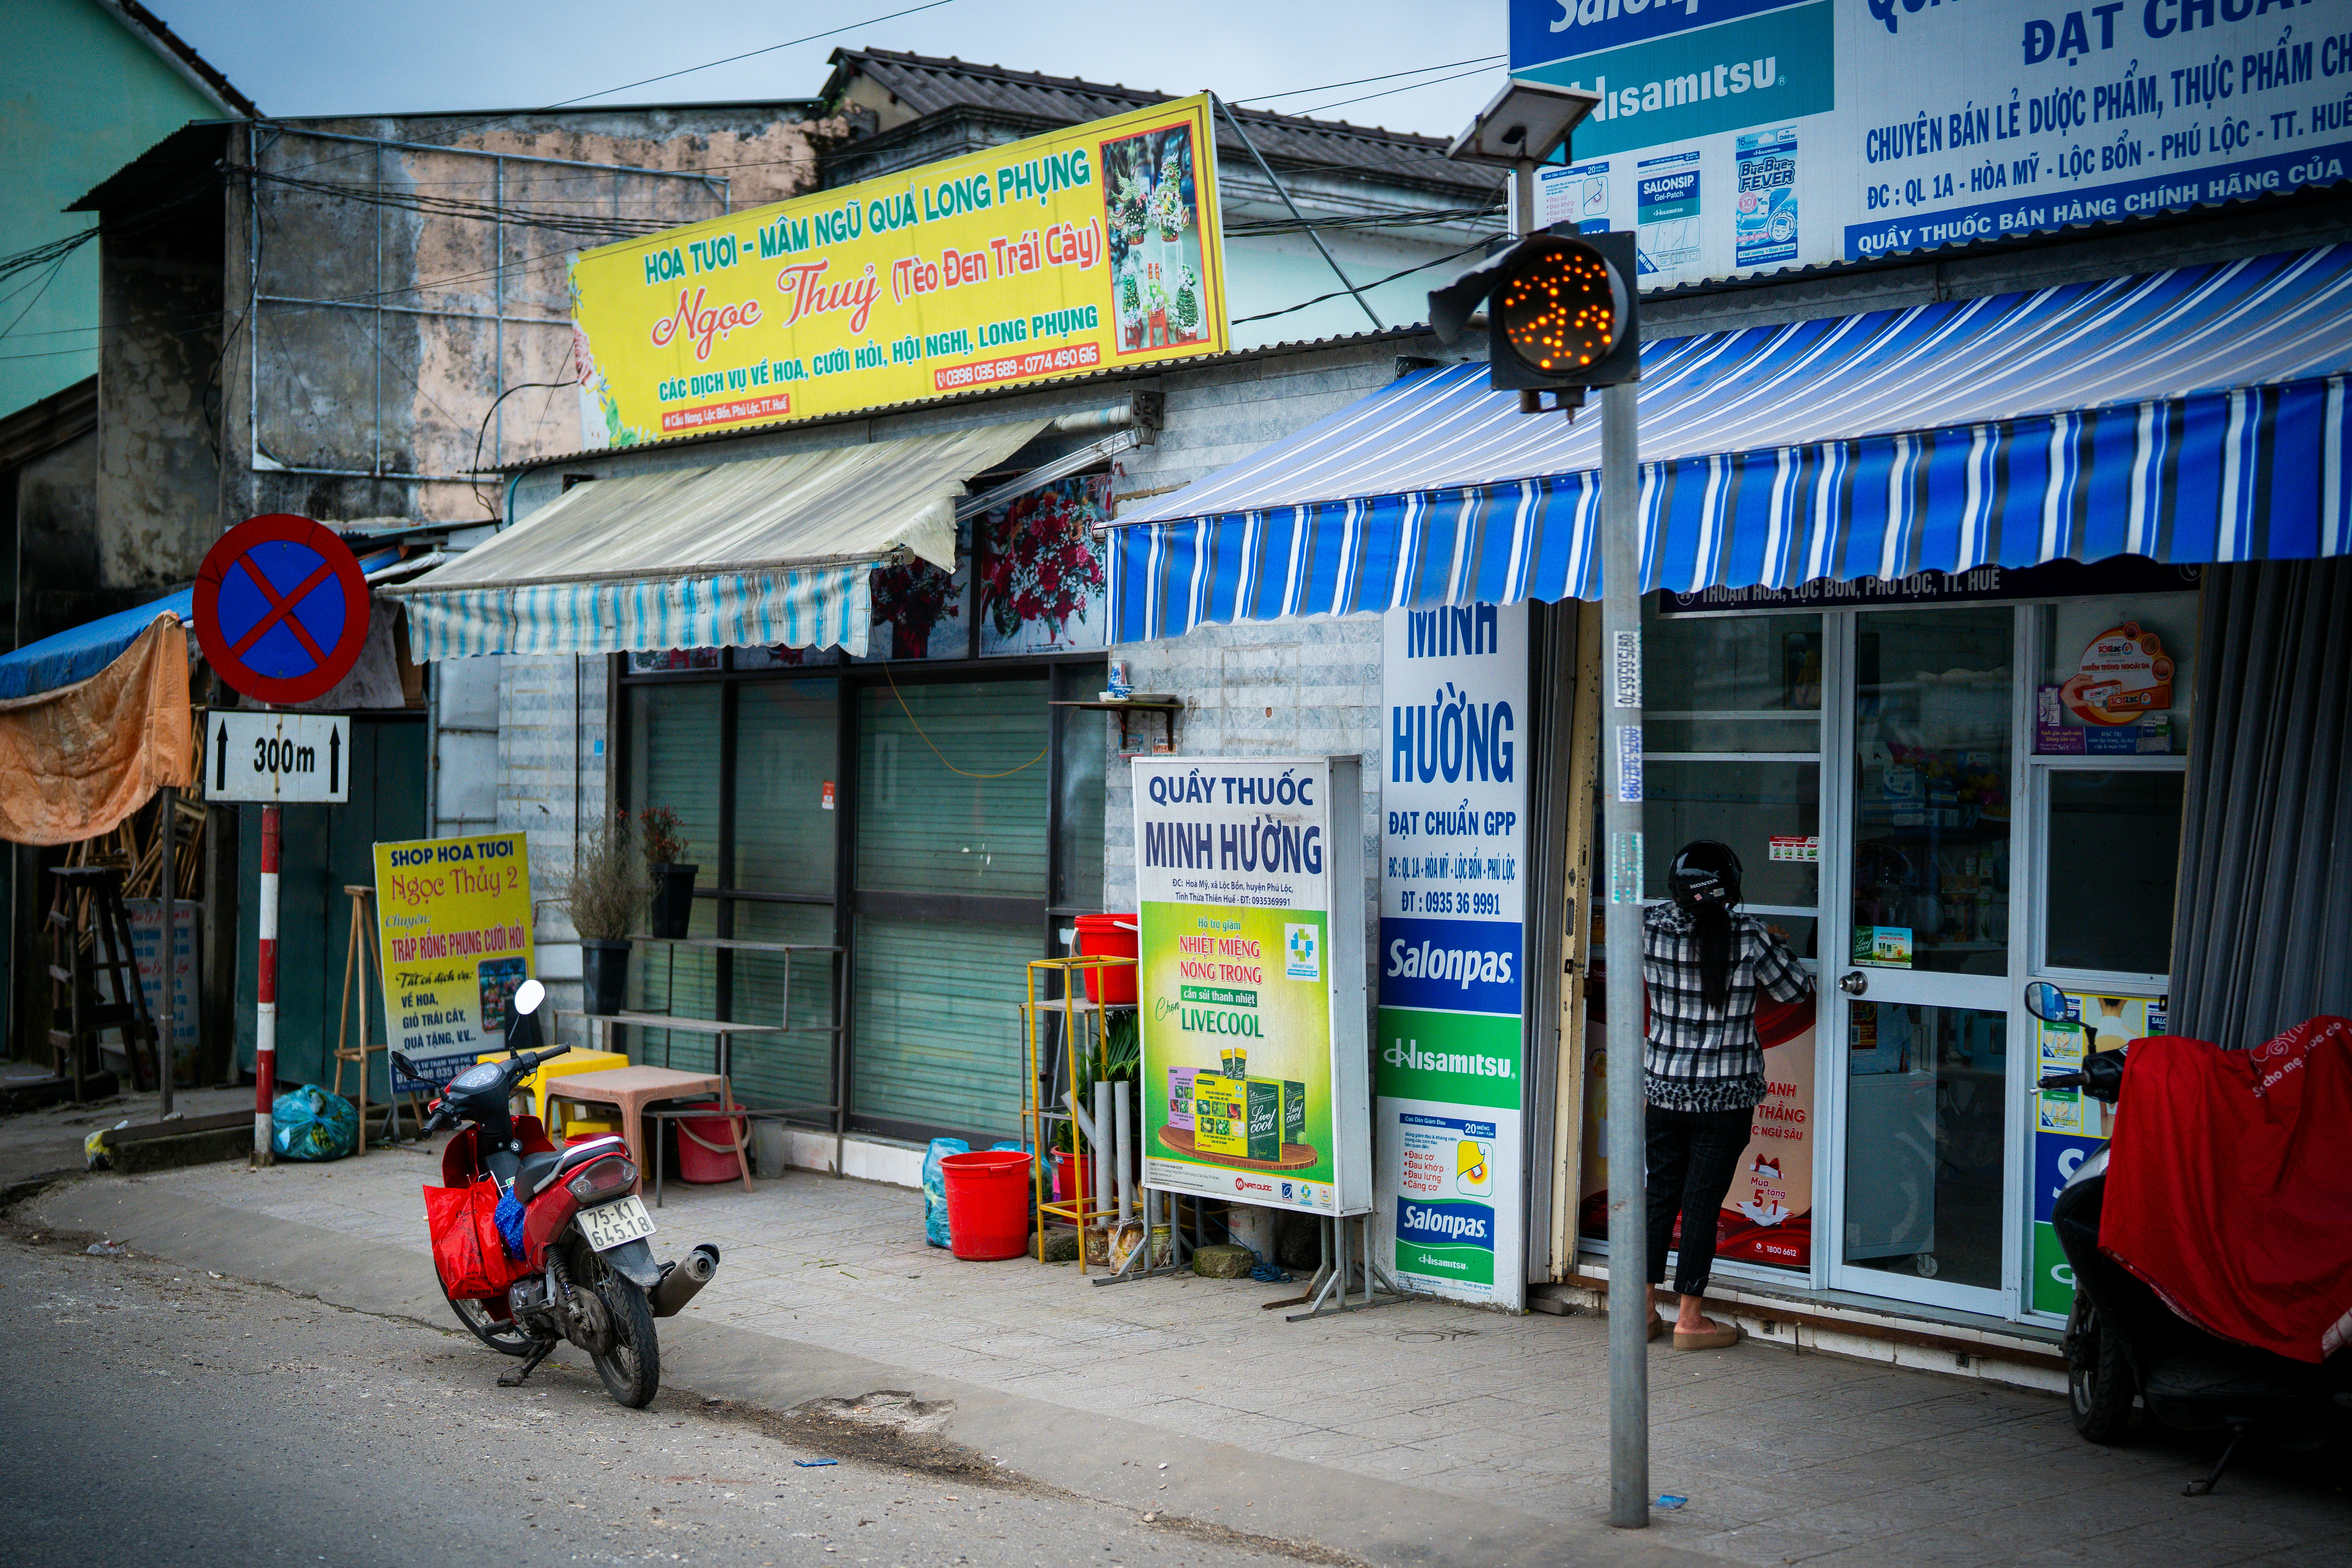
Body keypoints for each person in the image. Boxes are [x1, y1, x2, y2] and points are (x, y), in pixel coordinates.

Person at [1641, 840, 1811, 1350]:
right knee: (1700, 1205)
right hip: (1725, 1098)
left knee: (1658, 1199)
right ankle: (1690, 1320)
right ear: (1729, 887)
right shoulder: (1750, 935)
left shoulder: (1650, 928)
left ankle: (1642, 1311)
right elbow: (1795, 992)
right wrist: (1779, 943)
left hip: (1666, 1091)